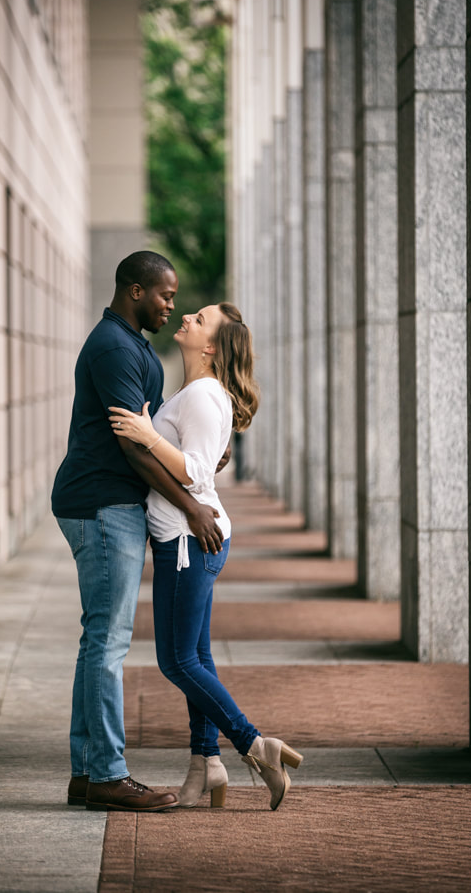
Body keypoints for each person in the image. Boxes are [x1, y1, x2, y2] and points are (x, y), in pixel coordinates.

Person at [109, 302, 303, 811]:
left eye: (200, 319)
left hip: (186, 543)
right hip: (194, 540)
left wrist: (148, 435)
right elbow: (206, 460)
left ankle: (255, 745)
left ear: (212, 346)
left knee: (176, 661)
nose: (188, 319)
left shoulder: (201, 395)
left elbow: (195, 472)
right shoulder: (201, 392)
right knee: (197, 656)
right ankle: (206, 763)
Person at [52, 251, 226, 813]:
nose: (172, 305)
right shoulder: (112, 348)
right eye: (165, 295)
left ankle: (87, 773)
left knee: (97, 641)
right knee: (108, 643)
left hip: (112, 504)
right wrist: (191, 505)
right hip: (102, 504)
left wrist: (196, 466)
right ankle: (106, 774)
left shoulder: (136, 348)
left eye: (176, 299)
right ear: (134, 291)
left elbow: (157, 435)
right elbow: (133, 444)